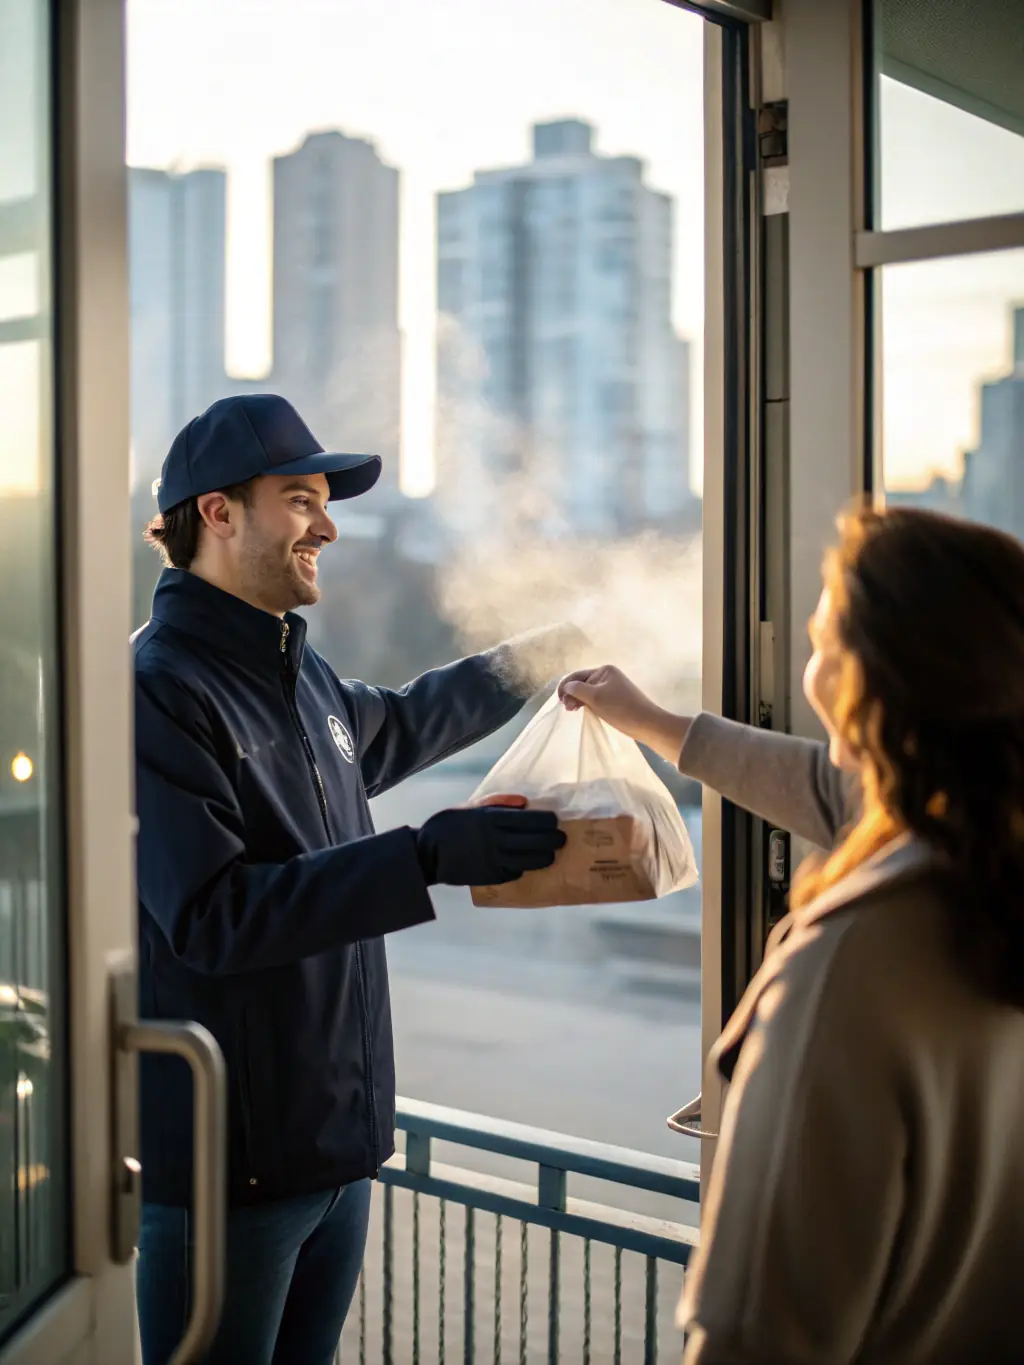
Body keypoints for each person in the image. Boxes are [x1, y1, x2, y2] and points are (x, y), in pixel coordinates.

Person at [133, 394, 570, 1365]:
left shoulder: (301, 675)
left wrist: (542, 653)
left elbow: (409, 721)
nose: (327, 525)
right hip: (227, 1182)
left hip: (337, 1160)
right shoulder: (159, 687)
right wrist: (423, 857)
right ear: (218, 512)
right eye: (301, 499)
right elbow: (210, 919)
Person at [560, 504, 1024, 1364]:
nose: (809, 676)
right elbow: (822, 785)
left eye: (821, 641)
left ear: (872, 678)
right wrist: (652, 720)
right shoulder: (985, 858)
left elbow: (753, 1333)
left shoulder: (853, 960)